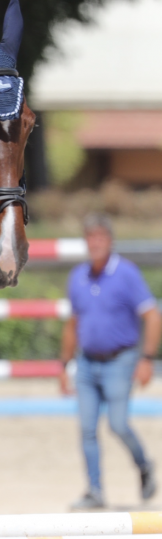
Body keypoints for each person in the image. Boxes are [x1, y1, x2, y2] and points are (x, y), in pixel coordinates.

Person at [60, 214, 161, 508]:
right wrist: (65, 365)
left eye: (100, 237)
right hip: (87, 362)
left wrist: (147, 358)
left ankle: (143, 465)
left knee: (118, 424)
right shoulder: (78, 276)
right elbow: (73, 324)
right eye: (90, 238)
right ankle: (95, 490)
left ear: (111, 241)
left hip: (121, 360)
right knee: (87, 428)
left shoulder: (126, 273)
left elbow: (152, 316)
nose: (95, 243)